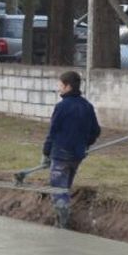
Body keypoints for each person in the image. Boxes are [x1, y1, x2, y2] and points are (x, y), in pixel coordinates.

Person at [41, 70, 100, 229]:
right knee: (65, 186)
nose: (58, 88)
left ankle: (63, 219)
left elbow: (53, 132)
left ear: (67, 87)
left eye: (60, 84)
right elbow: (96, 131)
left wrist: (46, 153)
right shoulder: (87, 106)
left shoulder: (61, 107)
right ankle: (61, 220)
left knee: (58, 188)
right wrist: (86, 144)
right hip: (77, 155)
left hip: (60, 154)